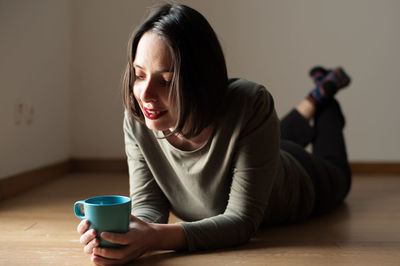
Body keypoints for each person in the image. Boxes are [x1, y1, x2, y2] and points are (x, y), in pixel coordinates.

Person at [77, 3, 352, 265]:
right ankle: (317, 94)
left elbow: (241, 221)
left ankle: (325, 102)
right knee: (277, 136)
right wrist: (126, 236)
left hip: (304, 179)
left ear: (200, 80)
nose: (145, 95)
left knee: (336, 168)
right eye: (139, 75)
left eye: (166, 81)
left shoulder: (251, 103)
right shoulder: (140, 118)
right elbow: (149, 207)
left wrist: (154, 238)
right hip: (264, 148)